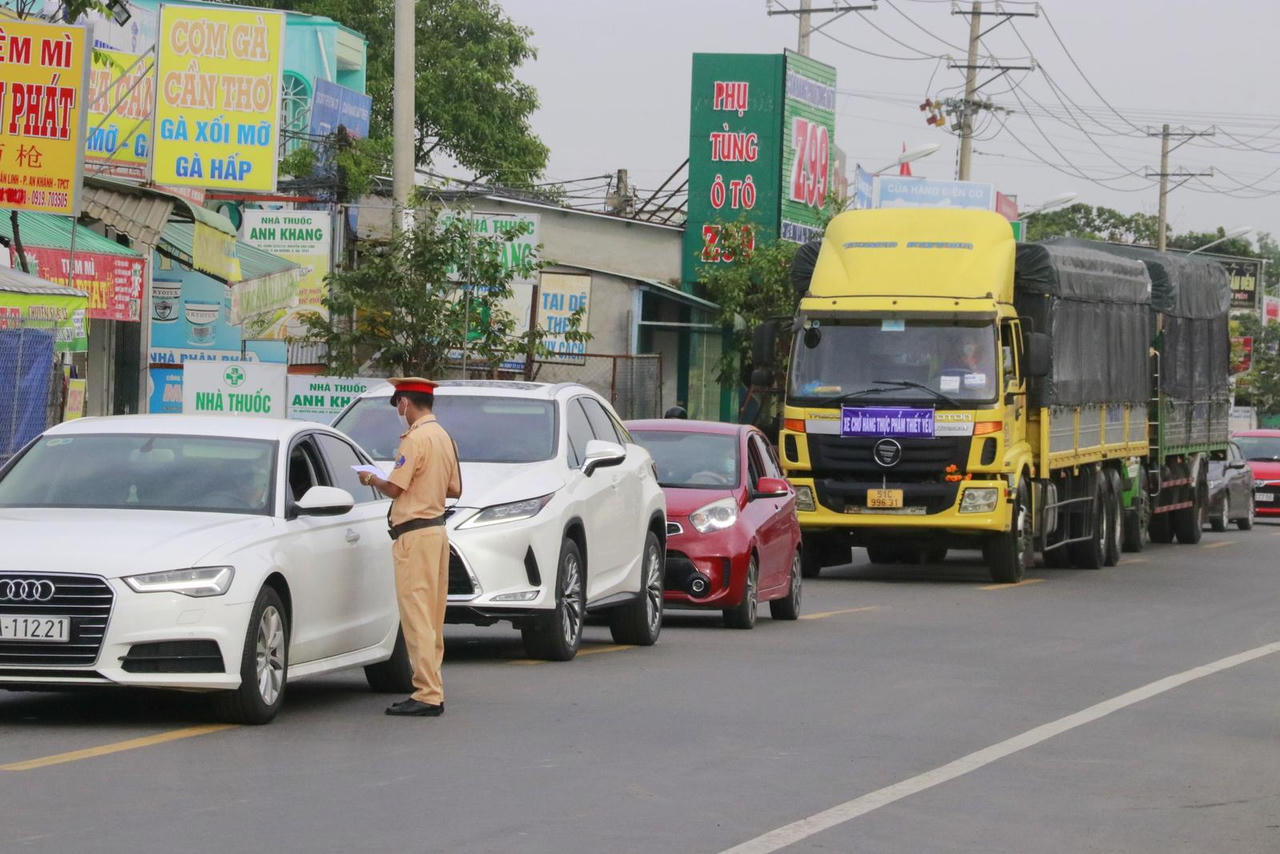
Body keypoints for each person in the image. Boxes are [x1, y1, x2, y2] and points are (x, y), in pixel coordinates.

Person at [358, 377, 461, 717]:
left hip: (414, 535)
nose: (399, 411)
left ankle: (427, 694)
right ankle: (433, 687)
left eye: (398, 405)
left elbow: (395, 489)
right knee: (432, 615)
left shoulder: (415, 439)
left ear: (405, 403)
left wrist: (372, 477)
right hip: (436, 532)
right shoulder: (444, 437)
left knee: (416, 615)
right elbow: (454, 488)